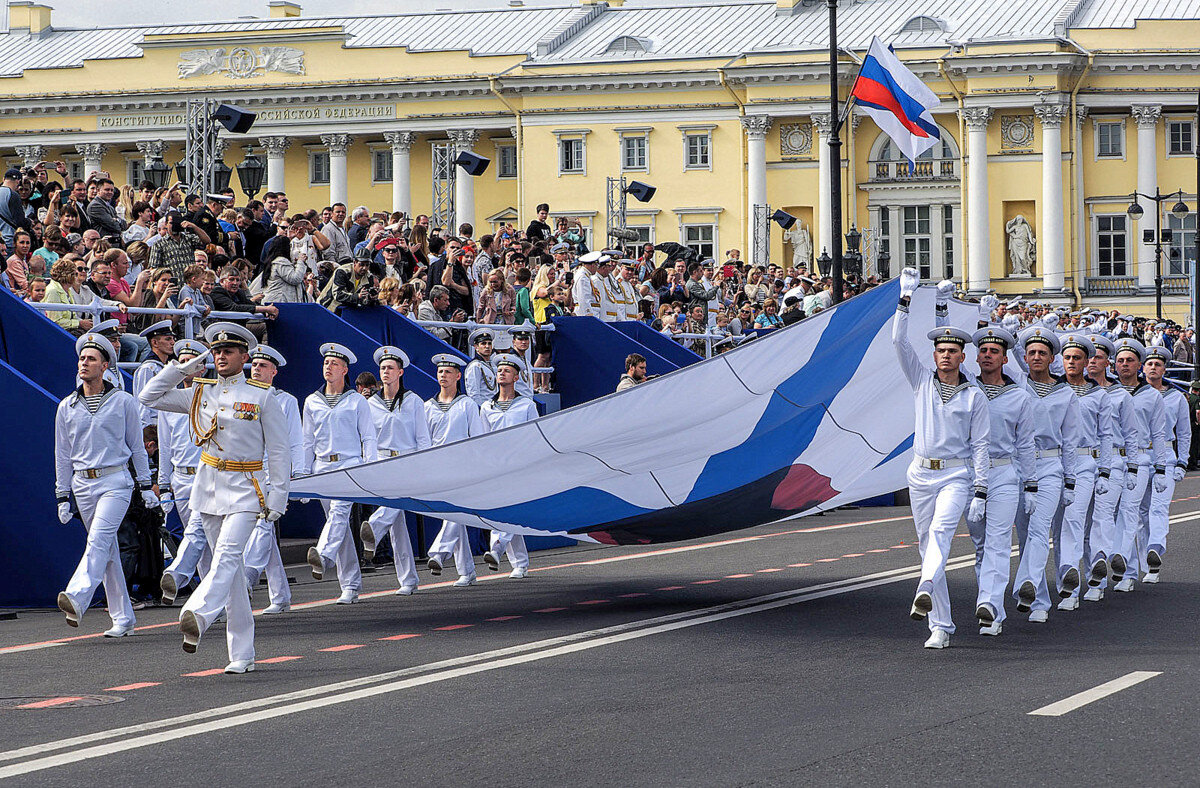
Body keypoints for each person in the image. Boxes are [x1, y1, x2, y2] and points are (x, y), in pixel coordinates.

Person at [139, 322, 290, 674]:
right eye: (216, 350)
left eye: (228, 351)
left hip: (246, 486)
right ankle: (242, 653)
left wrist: (277, 497)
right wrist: (184, 367)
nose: (221, 355)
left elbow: (280, 452)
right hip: (207, 487)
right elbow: (148, 396)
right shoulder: (200, 392)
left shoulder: (261, 396)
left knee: (226, 554)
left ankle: (199, 613)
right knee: (232, 572)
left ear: (244, 356)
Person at [892, 269, 989, 649]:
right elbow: (898, 342)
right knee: (925, 544)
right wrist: (906, 299)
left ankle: (926, 584)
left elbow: (981, 445)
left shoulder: (974, 396)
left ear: (963, 356)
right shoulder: (921, 381)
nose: (946, 355)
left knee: (941, 534)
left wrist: (980, 489)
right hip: (920, 472)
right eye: (941, 350)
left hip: (955, 476)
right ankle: (940, 625)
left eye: (953, 351)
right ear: (934, 355)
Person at [54, 331, 156, 637]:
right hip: (82, 483)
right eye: (82, 358)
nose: (84, 363)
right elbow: (62, 453)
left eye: (91, 359)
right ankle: (123, 619)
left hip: (116, 480)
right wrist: (62, 494)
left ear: (105, 365)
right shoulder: (66, 406)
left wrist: (146, 484)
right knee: (108, 550)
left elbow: (137, 446)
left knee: (98, 540)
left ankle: (77, 595)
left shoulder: (123, 401)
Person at [949, 296, 1036, 637]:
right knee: (982, 544)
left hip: (1003, 473)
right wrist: (981, 316)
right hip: (970, 472)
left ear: (1003, 358)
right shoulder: (966, 389)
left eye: (993, 352)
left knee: (1000, 540)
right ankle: (991, 602)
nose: (986, 355)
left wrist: (1030, 485)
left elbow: (1026, 444)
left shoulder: (1019, 397)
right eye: (982, 350)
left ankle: (989, 604)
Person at [1011, 326, 1079, 623]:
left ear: (1052, 358)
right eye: (1032, 352)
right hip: (1018, 467)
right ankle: (1038, 597)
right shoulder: (1015, 387)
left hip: (1050, 467)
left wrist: (1070, 481)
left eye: (1043, 352)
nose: (1036, 357)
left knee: (1040, 527)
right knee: (1025, 533)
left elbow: (1071, 440)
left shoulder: (1066, 393)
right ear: (1024, 357)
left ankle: (1026, 584)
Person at [303, 343, 377, 605]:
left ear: (345, 369)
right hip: (322, 465)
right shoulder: (312, 401)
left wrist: (370, 467)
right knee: (340, 525)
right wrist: (303, 473)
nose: (329, 367)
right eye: (326, 363)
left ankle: (323, 556)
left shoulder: (356, 400)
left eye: (334, 363)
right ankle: (351, 584)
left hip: (348, 464)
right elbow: (307, 441)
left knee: (339, 514)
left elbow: (368, 437)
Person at [360, 346, 432, 596]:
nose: (386, 372)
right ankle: (408, 579)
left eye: (390, 368)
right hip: (383, 463)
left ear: (400, 372)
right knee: (397, 524)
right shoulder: (370, 404)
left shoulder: (413, 401)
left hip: (407, 462)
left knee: (391, 508)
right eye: (382, 368)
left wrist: (423, 466)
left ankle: (373, 529)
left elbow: (423, 438)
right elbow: (368, 438)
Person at [1051, 333, 1113, 611]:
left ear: (1088, 362)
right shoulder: (1053, 389)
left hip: (1085, 462)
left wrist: (1105, 471)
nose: (1072, 362)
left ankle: (1078, 584)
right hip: (1054, 463)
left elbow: (1106, 435)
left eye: (1077, 358)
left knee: (1075, 521)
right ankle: (1065, 581)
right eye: (1067, 358)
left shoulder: (1098, 394)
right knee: (1056, 526)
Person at [243, 344, 304, 614]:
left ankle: (249, 574)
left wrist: (298, 475)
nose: (256, 369)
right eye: (254, 364)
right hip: (245, 470)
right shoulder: (241, 396)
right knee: (262, 530)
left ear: (274, 372)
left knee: (263, 524)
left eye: (263, 366)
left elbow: (295, 441)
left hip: (272, 471)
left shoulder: (286, 401)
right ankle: (280, 595)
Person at [156, 340, 213, 608]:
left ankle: (187, 580)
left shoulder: (212, 397)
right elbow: (165, 447)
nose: (187, 367)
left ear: (202, 368)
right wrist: (163, 485)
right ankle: (210, 596)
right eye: (182, 362)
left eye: (193, 362)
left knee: (202, 534)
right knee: (200, 541)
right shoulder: (171, 401)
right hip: (180, 478)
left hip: (207, 474)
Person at [1110, 338, 1169, 593]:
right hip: (1113, 458)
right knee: (1113, 515)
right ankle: (1128, 569)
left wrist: (1163, 467)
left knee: (1130, 510)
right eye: (1120, 360)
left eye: (1130, 360)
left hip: (1142, 458)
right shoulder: (1107, 392)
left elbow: (1159, 434)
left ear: (1139, 365)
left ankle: (1124, 562)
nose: (1125, 365)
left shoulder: (1151, 396)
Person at [1082, 334, 1137, 602]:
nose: (1093, 361)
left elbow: (1131, 433)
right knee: (1078, 521)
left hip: (1113, 461)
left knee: (1103, 515)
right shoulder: (1073, 390)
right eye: (1089, 357)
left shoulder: (1119, 395)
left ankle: (1098, 567)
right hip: (1081, 461)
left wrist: (1133, 467)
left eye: (1098, 357)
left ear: (1108, 363)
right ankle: (1088, 570)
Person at [425, 353, 489, 586]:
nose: (443, 375)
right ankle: (467, 570)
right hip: (439, 468)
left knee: (454, 512)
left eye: (448, 372)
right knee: (454, 515)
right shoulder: (428, 406)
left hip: (461, 467)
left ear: (458, 376)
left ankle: (438, 553)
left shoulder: (467, 405)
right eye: (440, 371)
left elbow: (478, 438)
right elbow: (426, 442)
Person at [480, 355, 539, 579]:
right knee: (502, 510)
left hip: (518, 464)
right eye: (499, 370)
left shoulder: (526, 405)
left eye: (507, 370)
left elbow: (533, 437)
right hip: (496, 465)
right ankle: (520, 563)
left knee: (509, 509)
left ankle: (496, 548)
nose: (502, 373)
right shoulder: (487, 406)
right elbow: (482, 438)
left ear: (516, 377)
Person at [1139, 346, 1189, 584]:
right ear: (1143, 367)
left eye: (1157, 364)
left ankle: (1155, 550)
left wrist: (1182, 461)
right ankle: (1145, 563)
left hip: (1165, 456)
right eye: (1149, 364)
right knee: (1140, 511)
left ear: (1164, 369)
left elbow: (1184, 432)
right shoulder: (1134, 394)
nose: (1153, 368)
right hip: (1139, 455)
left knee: (1158, 508)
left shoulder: (1176, 397)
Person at [131, 320, 175, 427]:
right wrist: (146, 428)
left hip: (166, 422)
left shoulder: (163, 366)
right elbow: (143, 403)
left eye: (173, 339)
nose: (173, 342)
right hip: (154, 424)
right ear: (154, 343)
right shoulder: (149, 368)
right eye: (168, 339)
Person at [464, 326, 497, 406]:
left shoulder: (492, 364)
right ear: (476, 347)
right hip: (483, 408)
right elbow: (473, 393)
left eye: (489, 343)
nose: (487, 346)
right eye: (483, 343)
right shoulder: (475, 366)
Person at [572, 252, 603, 317]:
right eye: (596, 265)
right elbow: (583, 298)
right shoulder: (583, 277)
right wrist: (588, 313)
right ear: (592, 265)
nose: (597, 268)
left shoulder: (586, 275)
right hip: (584, 313)